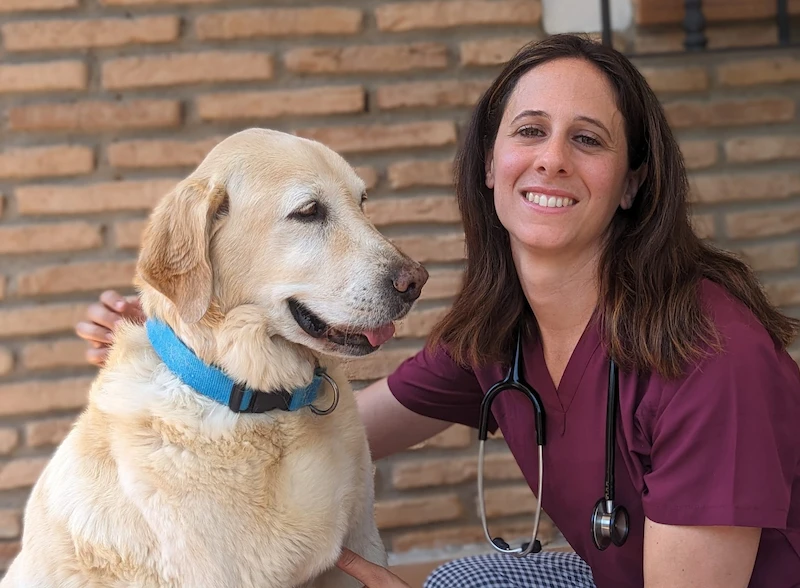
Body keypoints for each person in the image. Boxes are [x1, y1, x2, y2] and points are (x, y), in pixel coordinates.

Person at [76, 34, 800, 588]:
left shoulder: (712, 359)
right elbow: (340, 429)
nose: (550, 159)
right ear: (489, 165)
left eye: (587, 139)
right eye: (528, 131)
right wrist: (184, 364)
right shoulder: (501, 332)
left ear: (634, 183)